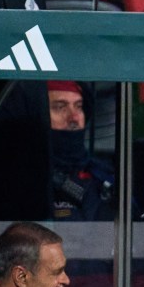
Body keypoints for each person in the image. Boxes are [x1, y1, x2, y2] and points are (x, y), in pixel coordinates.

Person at [48, 80, 116, 221]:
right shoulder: (24, 179)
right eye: (60, 107)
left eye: (79, 106)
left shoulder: (104, 175)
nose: (74, 117)